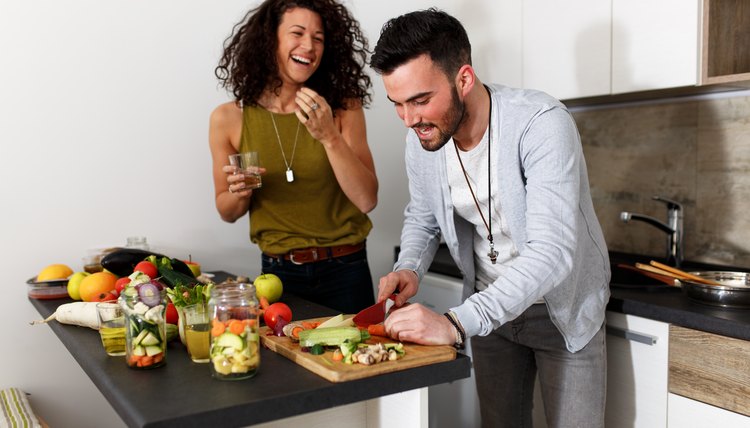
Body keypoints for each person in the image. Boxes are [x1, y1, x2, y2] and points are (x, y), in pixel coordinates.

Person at [370, 9, 610, 428]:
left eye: (421, 101)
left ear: (463, 79)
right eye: (398, 105)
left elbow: (552, 253)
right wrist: (409, 266)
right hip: (492, 317)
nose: (410, 121)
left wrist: (455, 322)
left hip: (563, 312)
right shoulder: (425, 138)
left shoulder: (540, 123)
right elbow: (423, 216)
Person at [209, 0, 378, 315]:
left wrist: (329, 135)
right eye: (297, 33)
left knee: (354, 361)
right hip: (278, 276)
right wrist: (240, 194)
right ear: (269, 39)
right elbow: (227, 211)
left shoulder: (343, 108)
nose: (309, 46)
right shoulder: (229, 118)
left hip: (347, 270)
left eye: (318, 38)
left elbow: (367, 199)